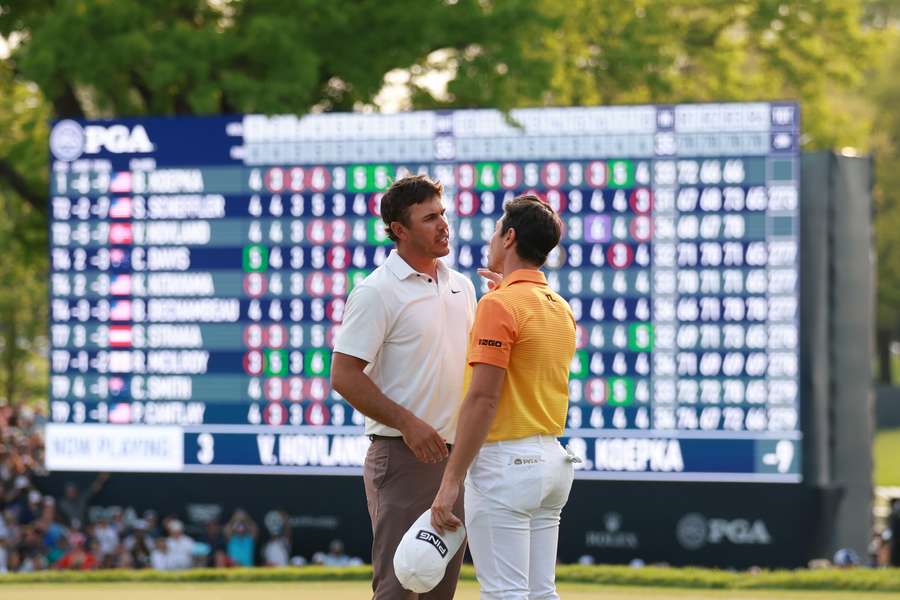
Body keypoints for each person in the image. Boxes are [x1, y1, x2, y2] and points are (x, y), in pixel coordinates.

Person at [331, 174, 476, 599]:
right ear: (399, 229)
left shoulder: (462, 286)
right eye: (430, 217)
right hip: (402, 457)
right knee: (399, 591)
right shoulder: (376, 291)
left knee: (437, 591)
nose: (443, 224)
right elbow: (343, 375)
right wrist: (408, 424)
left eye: (443, 214)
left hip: (455, 464)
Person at [431, 194, 577, 600]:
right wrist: (504, 295)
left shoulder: (499, 304)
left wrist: (451, 480)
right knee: (540, 593)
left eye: (497, 230)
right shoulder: (559, 306)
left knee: (505, 594)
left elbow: (482, 401)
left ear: (509, 237)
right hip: (552, 463)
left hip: (506, 466)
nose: (492, 238)